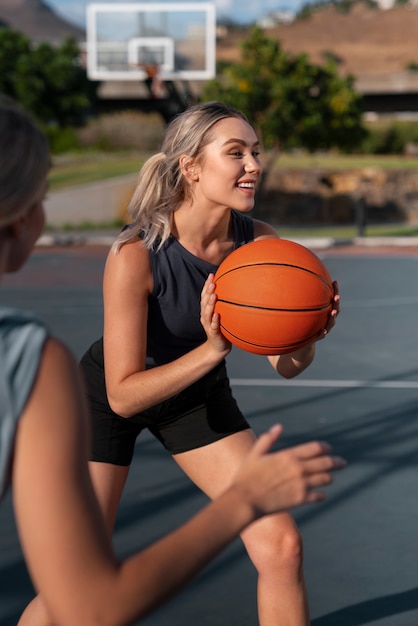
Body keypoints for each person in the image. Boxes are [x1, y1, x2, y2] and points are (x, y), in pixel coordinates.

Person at [0, 100, 346, 626]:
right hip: (111, 399)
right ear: (191, 166)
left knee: (281, 544)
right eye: (236, 152)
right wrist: (212, 350)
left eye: (255, 151)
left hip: (193, 395)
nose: (253, 164)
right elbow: (122, 393)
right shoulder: (135, 253)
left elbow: (286, 364)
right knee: (69, 592)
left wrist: (307, 333)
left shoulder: (262, 244)